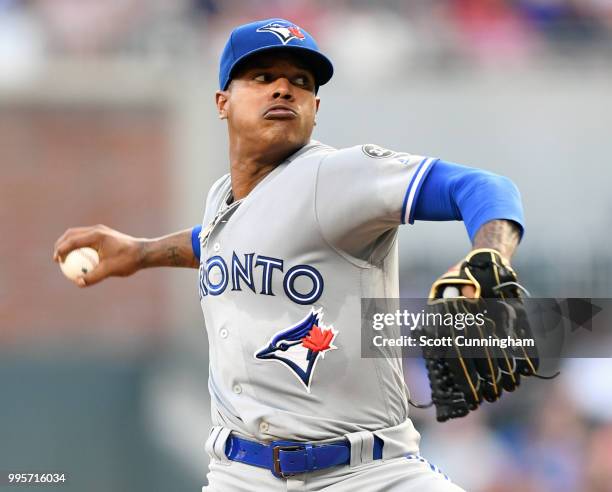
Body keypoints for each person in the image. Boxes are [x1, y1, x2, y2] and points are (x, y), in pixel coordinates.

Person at [53, 18, 525, 491]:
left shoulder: (338, 176)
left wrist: (491, 257)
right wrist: (141, 253)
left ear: (315, 108)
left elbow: (484, 186)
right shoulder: (224, 196)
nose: (283, 89)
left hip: (368, 473)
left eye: (300, 82)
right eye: (262, 77)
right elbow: (222, 241)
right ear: (223, 102)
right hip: (239, 475)